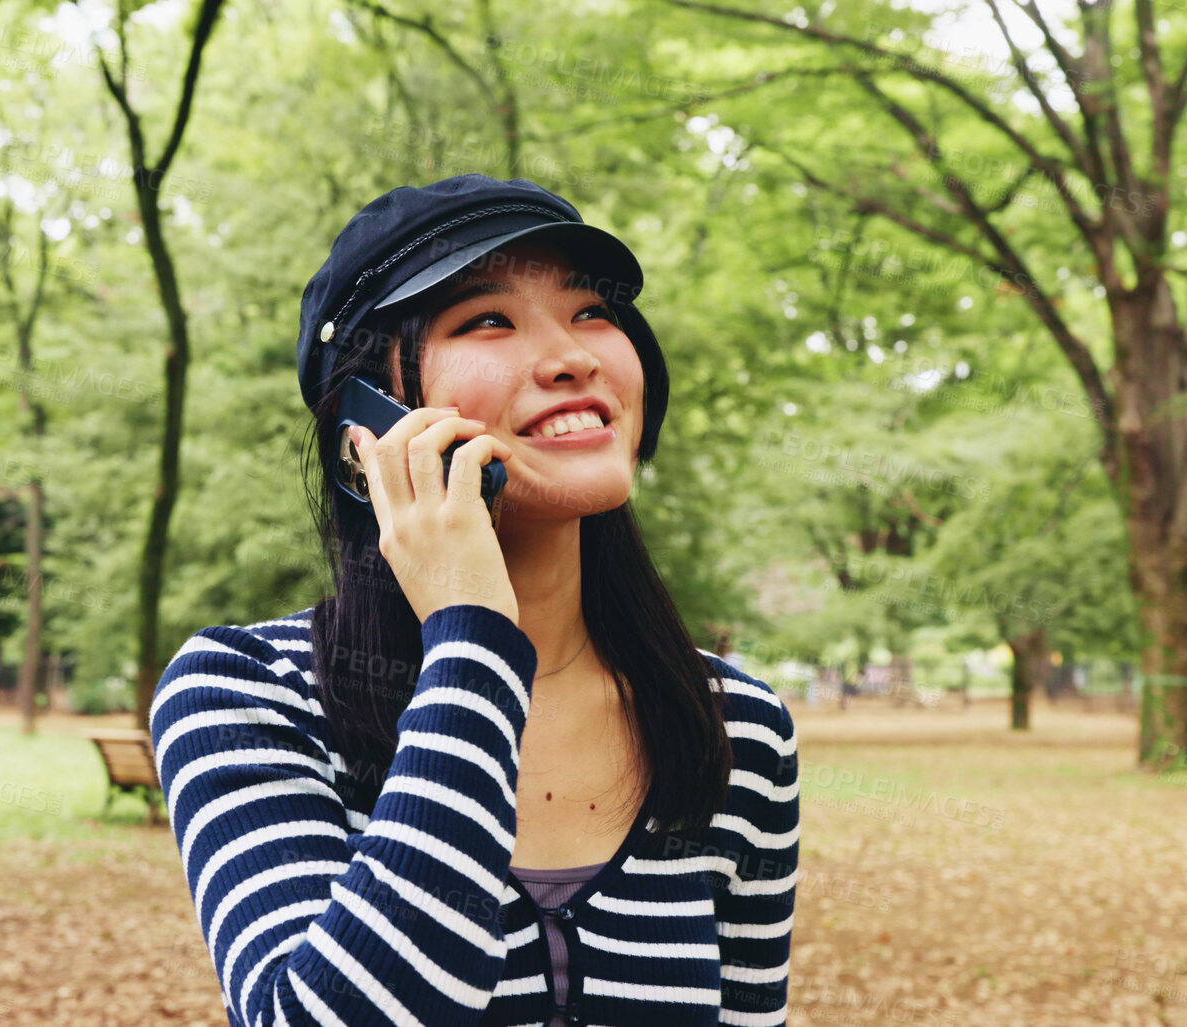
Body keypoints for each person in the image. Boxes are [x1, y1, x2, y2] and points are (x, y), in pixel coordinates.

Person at [152, 175, 800, 1027]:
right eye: (486, 320)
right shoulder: (247, 691)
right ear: (368, 422)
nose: (573, 357)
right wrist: (472, 636)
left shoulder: (730, 724)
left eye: (590, 313)